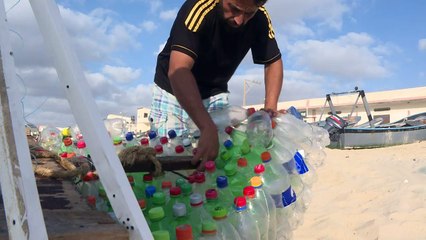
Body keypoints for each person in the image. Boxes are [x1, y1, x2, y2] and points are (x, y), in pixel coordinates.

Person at [149, 0, 283, 170]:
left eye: (249, 13)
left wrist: (270, 109)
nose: (240, 20)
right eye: (234, 9)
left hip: (214, 92)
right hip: (174, 91)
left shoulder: (260, 16)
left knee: (215, 163)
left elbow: (273, 61)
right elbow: (179, 69)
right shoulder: (199, 8)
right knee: (170, 160)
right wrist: (207, 127)